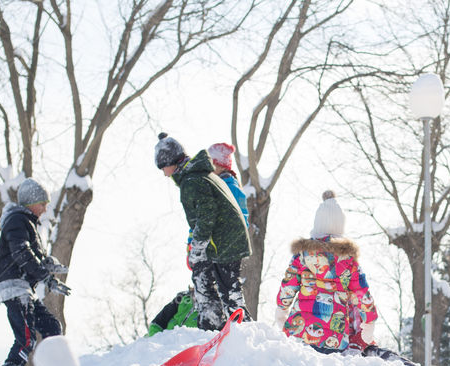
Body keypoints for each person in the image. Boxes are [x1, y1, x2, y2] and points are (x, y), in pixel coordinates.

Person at [155, 132, 252, 330]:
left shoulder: (192, 181)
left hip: (225, 241)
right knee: (207, 281)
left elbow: (207, 214)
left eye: (163, 168)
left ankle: (242, 330)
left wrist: (197, 246)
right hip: (223, 240)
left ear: (171, 162)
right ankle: (212, 324)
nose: (165, 174)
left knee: (224, 287)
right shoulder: (196, 175)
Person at [274, 190, 378, 353]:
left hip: (300, 331)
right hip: (334, 337)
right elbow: (361, 292)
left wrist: (281, 309)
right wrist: (369, 321)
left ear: (317, 225)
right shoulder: (349, 261)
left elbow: (289, 285)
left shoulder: (302, 255)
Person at [0, 177, 72, 366]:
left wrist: (48, 265)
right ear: (31, 203)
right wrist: (46, 277)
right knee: (26, 339)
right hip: (14, 286)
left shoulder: (26, 223)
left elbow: (32, 256)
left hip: (24, 287)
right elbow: (22, 254)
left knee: (51, 327)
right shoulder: (17, 220)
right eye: (42, 204)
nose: (45, 209)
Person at [207, 142, 249, 226]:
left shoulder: (232, 189)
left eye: (212, 164)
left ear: (222, 166)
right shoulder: (210, 187)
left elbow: (243, 220)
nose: (208, 168)